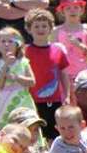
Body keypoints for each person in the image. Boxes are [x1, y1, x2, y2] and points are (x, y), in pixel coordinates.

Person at [23, 8, 70, 140]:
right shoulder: (25, 51)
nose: (40, 29)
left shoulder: (58, 50)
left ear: (51, 28)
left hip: (55, 100)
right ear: (29, 29)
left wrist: (66, 95)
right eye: (36, 26)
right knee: (35, 134)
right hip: (33, 100)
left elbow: (64, 75)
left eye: (44, 26)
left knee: (55, 133)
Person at [0, 26, 37, 140]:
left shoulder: (23, 62)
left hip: (22, 98)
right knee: (5, 123)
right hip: (4, 100)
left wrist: (16, 77)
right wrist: (6, 65)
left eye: (10, 41)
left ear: (17, 45)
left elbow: (32, 82)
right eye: (3, 41)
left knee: (26, 122)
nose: (6, 44)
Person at [53, 0, 87, 85]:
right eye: (68, 8)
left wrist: (80, 45)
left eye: (76, 7)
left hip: (82, 76)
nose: (72, 11)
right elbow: (53, 58)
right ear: (62, 11)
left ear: (81, 10)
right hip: (63, 77)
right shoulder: (56, 31)